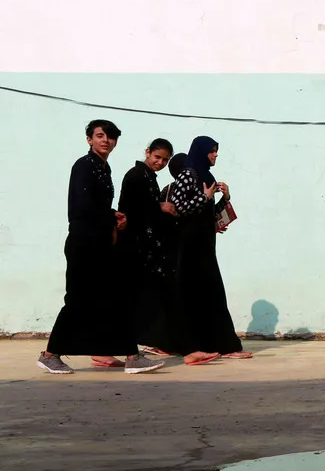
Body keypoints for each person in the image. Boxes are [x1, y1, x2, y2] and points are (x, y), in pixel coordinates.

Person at [37, 120, 165, 375]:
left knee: (115, 297)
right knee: (76, 300)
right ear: (89, 140)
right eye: (100, 136)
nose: (106, 140)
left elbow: (98, 206)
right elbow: (82, 207)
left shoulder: (103, 168)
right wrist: (111, 217)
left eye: (111, 137)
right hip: (84, 243)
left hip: (100, 243)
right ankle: (50, 355)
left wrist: (114, 216)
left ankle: (131, 356)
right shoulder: (84, 166)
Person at [120, 144, 218, 365]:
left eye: (165, 160)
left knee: (166, 300)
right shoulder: (137, 176)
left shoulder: (150, 178)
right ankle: (124, 352)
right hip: (141, 249)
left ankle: (183, 349)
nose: (160, 163)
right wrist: (159, 207)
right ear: (147, 152)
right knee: (146, 300)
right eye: (157, 157)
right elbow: (129, 209)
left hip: (155, 250)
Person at [167, 136, 251, 359]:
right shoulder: (188, 174)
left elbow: (209, 215)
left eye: (216, 151)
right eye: (211, 151)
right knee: (195, 295)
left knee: (211, 296)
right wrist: (204, 197)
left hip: (204, 245)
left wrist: (225, 198)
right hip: (190, 246)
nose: (215, 155)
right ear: (201, 152)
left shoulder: (206, 176)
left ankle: (221, 346)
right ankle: (199, 348)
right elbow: (178, 207)